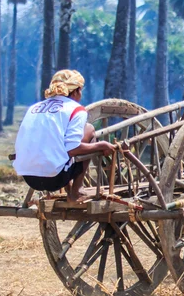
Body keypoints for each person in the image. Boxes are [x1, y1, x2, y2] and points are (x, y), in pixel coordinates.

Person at [13, 69, 115, 202]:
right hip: (55, 178)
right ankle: (76, 191)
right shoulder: (76, 109)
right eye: (80, 90)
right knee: (89, 129)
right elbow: (72, 149)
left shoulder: (34, 107)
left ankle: (69, 188)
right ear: (77, 90)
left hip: (29, 177)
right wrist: (101, 145)